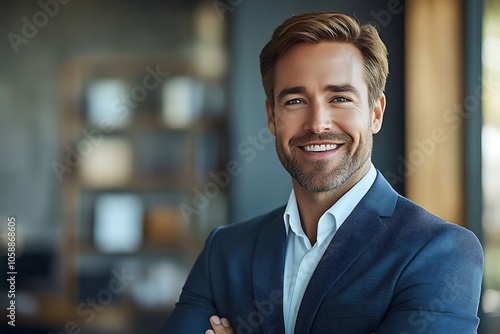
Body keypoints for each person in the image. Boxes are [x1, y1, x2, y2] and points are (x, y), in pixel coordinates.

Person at [158, 11, 483, 334]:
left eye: (340, 98)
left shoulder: (441, 251)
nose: (317, 123)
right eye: (296, 101)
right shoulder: (225, 251)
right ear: (272, 117)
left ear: (375, 113)